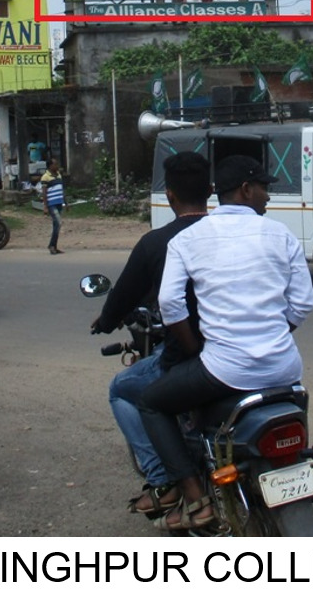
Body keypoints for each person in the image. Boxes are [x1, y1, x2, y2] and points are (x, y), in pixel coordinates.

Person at [138, 155, 313, 531]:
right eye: (264, 188)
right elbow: (302, 303)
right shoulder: (280, 234)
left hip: (224, 371)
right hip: (285, 369)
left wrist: (193, 350)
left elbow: (170, 304)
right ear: (246, 190)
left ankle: (194, 496)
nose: (268, 196)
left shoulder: (187, 239)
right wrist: (271, 334)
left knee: (150, 402)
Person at [89, 152, 211, 519]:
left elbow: (126, 294)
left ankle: (163, 481)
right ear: (210, 191)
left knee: (121, 390)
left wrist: (106, 320)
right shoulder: (228, 234)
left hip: (189, 357)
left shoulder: (157, 243)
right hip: (240, 350)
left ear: (170, 196)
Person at [42, 159, 66, 254]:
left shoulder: (59, 175)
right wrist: (45, 206)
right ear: (50, 166)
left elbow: (62, 189)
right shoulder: (45, 177)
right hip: (51, 204)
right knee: (58, 223)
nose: (57, 166)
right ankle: (51, 245)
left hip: (59, 203)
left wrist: (66, 203)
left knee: (56, 225)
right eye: (55, 164)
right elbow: (44, 193)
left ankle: (54, 246)